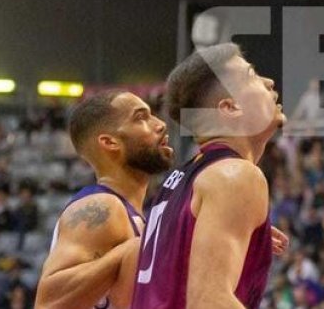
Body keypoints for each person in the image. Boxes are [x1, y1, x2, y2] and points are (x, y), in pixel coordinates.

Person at [131, 42, 286, 308]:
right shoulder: (235, 175)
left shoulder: (179, 180)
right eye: (252, 75)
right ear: (230, 107)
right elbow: (209, 301)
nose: (269, 82)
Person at [37, 90, 175, 308]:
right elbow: (49, 303)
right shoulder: (103, 207)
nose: (159, 124)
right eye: (141, 118)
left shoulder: (134, 214)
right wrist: (128, 252)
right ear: (110, 142)